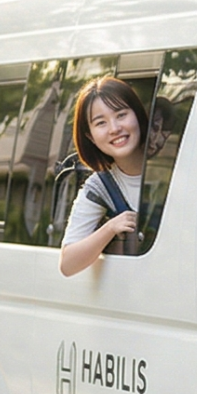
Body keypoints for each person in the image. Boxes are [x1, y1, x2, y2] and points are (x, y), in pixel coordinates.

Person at [58, 76, 155, 277]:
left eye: (121, 115)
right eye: (101, 123)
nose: (114, 128)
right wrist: (110, 227)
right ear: (90, 137)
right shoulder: (101, 186)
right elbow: (68, 264)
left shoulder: (174, 165)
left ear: (138, 114)